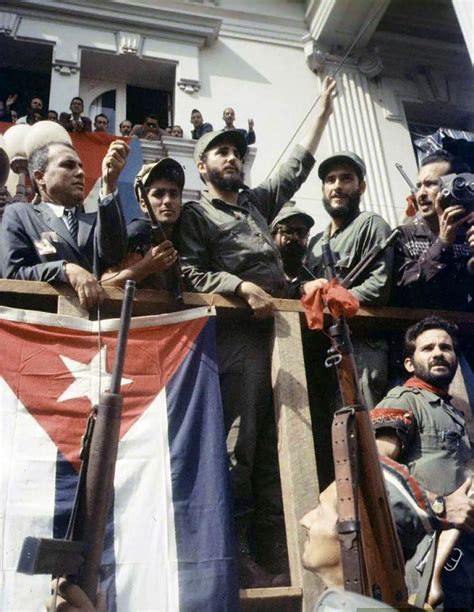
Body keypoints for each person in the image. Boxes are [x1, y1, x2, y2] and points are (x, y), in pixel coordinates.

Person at [179, 76, 336, 587]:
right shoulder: (197, 214)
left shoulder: (253, 205)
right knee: (238, 443)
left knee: (276, 444)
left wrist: (323, 114)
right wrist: (239, 283)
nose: (232, 158)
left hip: (279, 334)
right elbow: (188, 272)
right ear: (202, 165)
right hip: (236, 335)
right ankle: (234, 548)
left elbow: (292, 171)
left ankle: (276, 548)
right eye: (220, 152)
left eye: (236, 152)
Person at [372, 316, 474, 608]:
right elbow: (377, 468)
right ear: (409, 363)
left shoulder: (453, 412)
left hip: (460, 555)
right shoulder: (404, 400)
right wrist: (438, 506)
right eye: (427, 348)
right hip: (422, 555)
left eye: (446, 347)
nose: (438, 353)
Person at [1, 140, 129, 309]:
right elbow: (13, 274)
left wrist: (110, 183)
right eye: (68, 166)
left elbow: (115, 255)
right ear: (40, 177)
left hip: (96, 327)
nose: (80, 172)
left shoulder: (97, 220)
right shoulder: (20, 214)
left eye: (80, 166)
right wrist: (64, 270)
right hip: (42, 325)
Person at [392, 149, 474, 312]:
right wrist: (442, 243)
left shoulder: (468, 234)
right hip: (418, 332)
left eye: (431, 184)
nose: (421, 194)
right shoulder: (402, 236)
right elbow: (402, 286)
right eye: (419, 186)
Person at [101, 158, 183, 289]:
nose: (167, 201)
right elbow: (105, 282)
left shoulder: (188, 234)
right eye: (159, 194)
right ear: (144, 204)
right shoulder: (138, 234)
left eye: (173, 194)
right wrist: (146, 267)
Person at [270, 205, 314, 283]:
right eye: (288, 231)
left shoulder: (310, 277)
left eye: (301, 232)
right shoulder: (262, 272)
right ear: (273, 235)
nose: (295, 237)